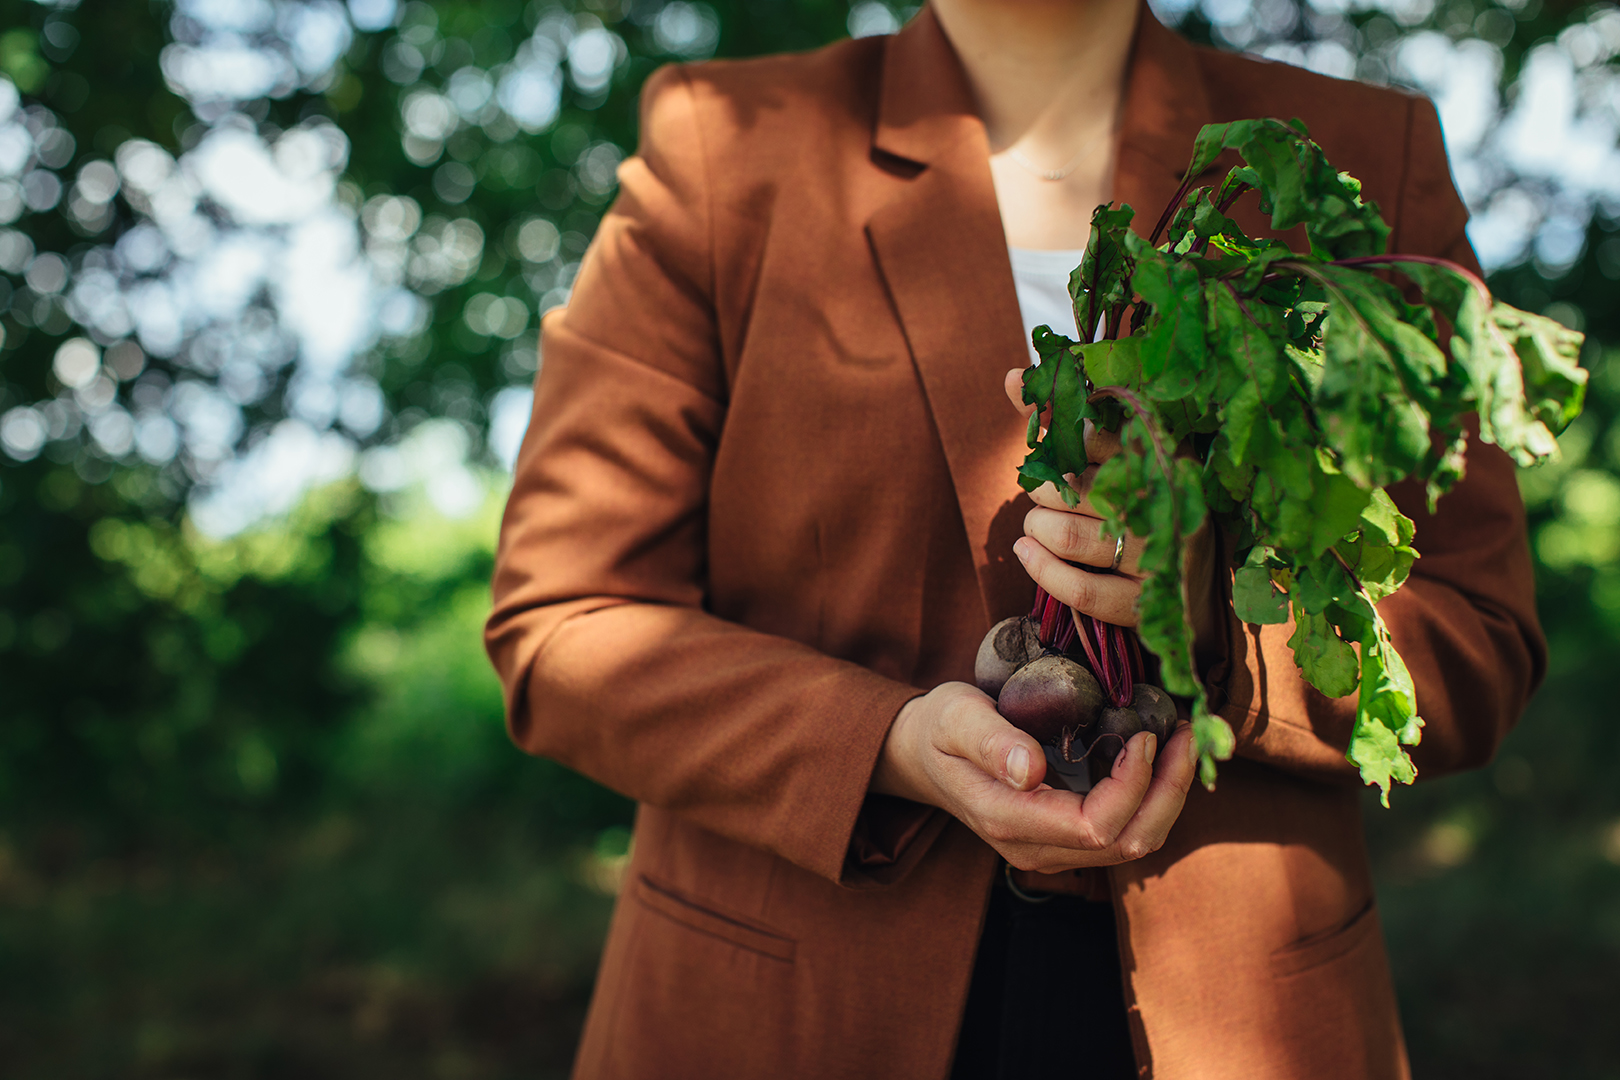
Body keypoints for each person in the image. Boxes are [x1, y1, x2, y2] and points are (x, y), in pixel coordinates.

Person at [484, 1, 1544, 1077]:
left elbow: (1481, 634)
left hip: (1229, 1014)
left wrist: (1221, 617)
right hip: (789, 1007)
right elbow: (564, 625)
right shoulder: (724, 142)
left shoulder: (1363, 153)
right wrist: (884, 742)